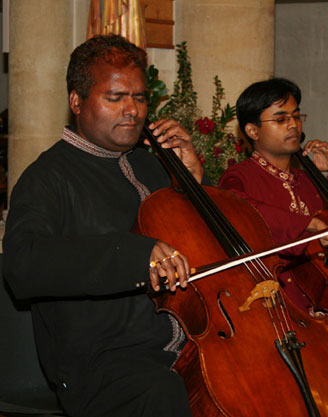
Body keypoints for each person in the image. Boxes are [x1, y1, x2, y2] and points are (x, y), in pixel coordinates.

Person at [2, 35, 200, 417]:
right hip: (104, 362)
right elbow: (22, 265)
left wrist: (191, 182)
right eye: (115, 98)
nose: (132, 110)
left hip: (186, 344)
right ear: (76, 101)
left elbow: (198, 245)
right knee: (160, 393)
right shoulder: (46, 177)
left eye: (141, 98)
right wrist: (131, 253)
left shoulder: (151, 164)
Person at [219, 77, 328, 312]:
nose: (293, 125)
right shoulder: (238, 177)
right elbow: (244, 213)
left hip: (327, 299)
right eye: (281, 119)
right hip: (276, 305)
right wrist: (312, 224)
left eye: (296, 116)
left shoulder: (306, 179)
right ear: (252, 130)